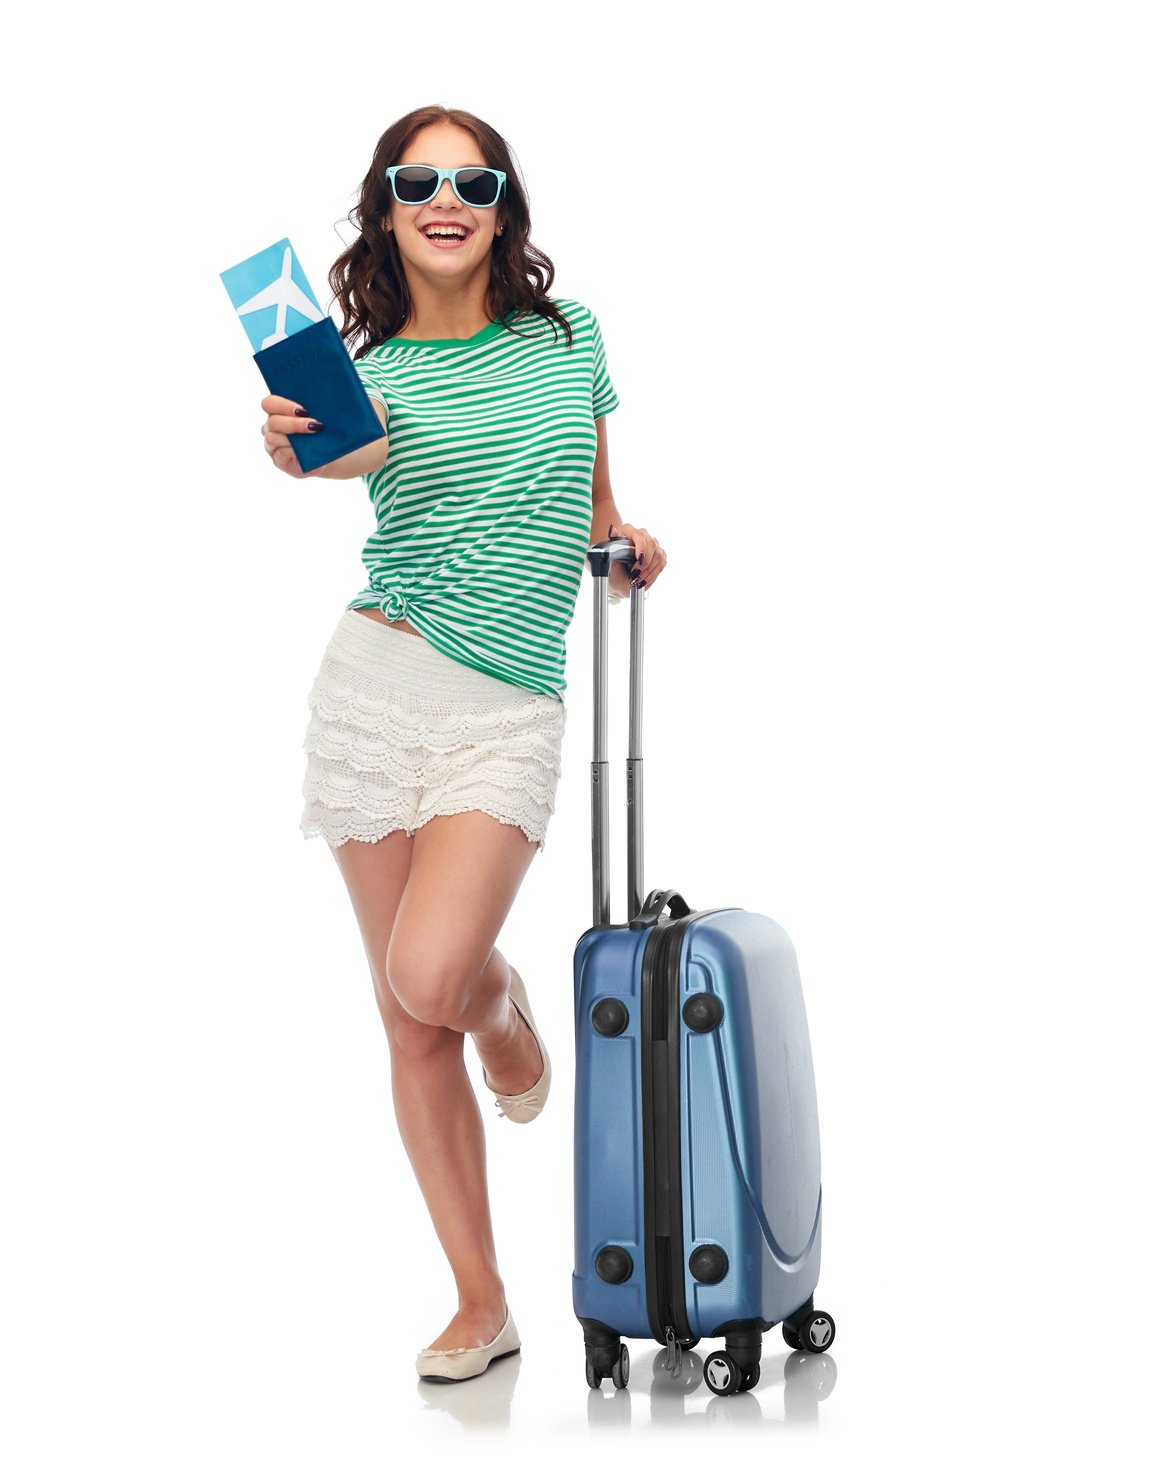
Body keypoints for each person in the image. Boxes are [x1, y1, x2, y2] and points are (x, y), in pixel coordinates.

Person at [259, 105, 667, 1383]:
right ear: (385, 207)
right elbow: (334, 456)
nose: (447, 196)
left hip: (505, 705)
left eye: (472, 178)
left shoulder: (568, 339)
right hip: (373, 685)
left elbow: (592, 504)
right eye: (416, 178)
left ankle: (504, 1010)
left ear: (502, 206)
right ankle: (481, 1302)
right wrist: (292, 445)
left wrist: (626, 549)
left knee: (436, 975)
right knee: (404, 1016)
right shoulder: (365, 372)